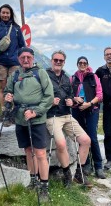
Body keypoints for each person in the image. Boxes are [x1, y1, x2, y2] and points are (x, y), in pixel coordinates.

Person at [4, 47, 54, 202]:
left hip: (37, 119)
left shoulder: (41, 73)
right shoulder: (15, 74)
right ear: (19, 59)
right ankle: (33, 180)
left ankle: (44, 186)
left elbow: (49, 96)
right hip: (20, 118)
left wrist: (36, 111)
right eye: (23, 57)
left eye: (28, 57)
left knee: (40, 153)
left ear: (33, 58)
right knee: (27, 150)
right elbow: (7, 91)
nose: (26, 60)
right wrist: (8, 97)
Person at [45, 50, 92, 187]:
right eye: (56, 60)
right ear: (51, 61)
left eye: (61, 60)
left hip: (66, 115)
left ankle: (79, 173)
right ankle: (67, 176)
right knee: (61, 144)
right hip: (51, 116)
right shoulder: (44, 76)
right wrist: (50, 101)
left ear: (64, 62)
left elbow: (70, 95)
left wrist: (71, 101)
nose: (58, 62)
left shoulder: (66, 78)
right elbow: (39, 95)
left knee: (86, 140)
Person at [70, 56, 106, 179]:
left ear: (87, 64)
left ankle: (98, 166)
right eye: (80, 63)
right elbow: (69, 94)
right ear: (77, 64)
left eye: (84, 63)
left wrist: (88, 104)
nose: (82, 64)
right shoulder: (72, 78)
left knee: (92, 137)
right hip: (77, 110)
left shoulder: (93, 77)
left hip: (91, 109)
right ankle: (86, 164)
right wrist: (75, 99)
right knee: (82, 138)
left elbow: (100, 95)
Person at [0, 4, 26, 118]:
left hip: (14, 63)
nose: (5, 15)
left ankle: (14, 111)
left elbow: (22, 45)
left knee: (15, 88)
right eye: (3, 12)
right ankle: (5, 112)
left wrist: (23, 59)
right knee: (3, 88)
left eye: (7, 13)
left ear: (11, 14)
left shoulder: (16, 28)